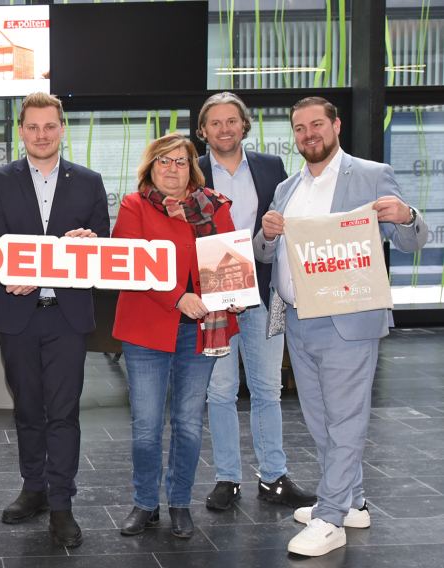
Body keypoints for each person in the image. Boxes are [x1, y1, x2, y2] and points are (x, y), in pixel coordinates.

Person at [254, 97, 427, 557]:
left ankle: (330, 518)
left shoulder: (371, 175)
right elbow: (265, 253)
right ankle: (352, 500)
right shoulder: (287, 188)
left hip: (348, 319)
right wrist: (267, 235)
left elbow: (412, 240)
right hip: (297, 319)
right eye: (299, 127)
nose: (308, 134)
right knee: (320, 420)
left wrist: (407, 216)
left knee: (346, 419)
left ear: (336, 126)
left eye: (316, 124)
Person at [0, 92, 110, 549]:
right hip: (17, 316)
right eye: (32, 127)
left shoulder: (89, 182)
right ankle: (32, 487)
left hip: (67, 316)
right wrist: (10, 272)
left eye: (49, 126)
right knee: (28, 409)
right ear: (21, 131)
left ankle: (61, 503)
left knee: (64, 412)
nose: (41, 134)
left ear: (61, 128)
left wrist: (88, 241)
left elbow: (102, 250)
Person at [112, 133, 241, 539]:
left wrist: (233, 294)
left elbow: (229, 262)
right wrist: (176, 297)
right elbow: (128, 263)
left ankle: (180, 503)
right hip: (146, 331)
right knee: (147, 426)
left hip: (200, 333)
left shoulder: (215, 207)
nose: (172, 169)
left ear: (192, 167)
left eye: (180, 162)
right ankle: (145, 503)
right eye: (164, 161)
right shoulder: (135, 205)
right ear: (151, 167)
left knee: (187, 424)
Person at [196, 92, 316, 511]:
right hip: (214, 297)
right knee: (221, 390)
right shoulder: (191, 171)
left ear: (243, 126)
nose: (224, 129)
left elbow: (281, 224)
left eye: (232, 121)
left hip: (264, 293)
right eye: (216, 123)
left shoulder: (271, 168)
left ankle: (273, 477)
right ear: (203, 131)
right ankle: (227, 478)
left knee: (267, 388)